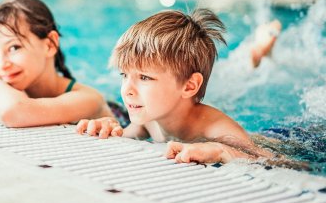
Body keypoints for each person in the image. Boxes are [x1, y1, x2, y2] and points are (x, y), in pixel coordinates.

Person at [76, 9, 274, 164]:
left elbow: (280, 163)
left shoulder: (216, 128)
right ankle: (254, 56)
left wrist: (221, 150)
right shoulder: (148, 118)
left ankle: (256, 54)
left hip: (276, 136)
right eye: (124, 75)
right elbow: (126, 135)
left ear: (189, 86)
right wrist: (109, 128)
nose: (127, 89)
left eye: (144, 77)